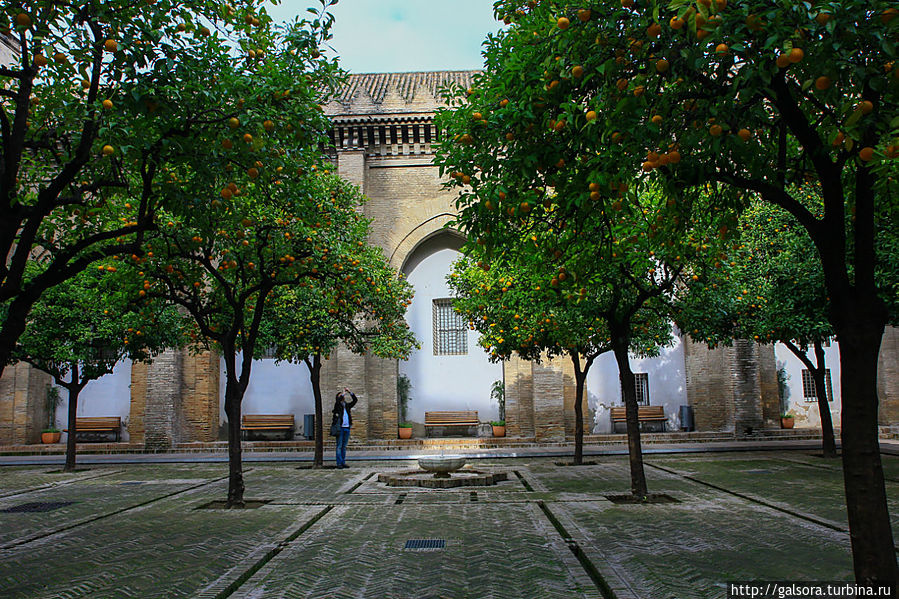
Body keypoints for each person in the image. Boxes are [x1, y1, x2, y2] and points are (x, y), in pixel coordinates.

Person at [331, 387, 357, 468]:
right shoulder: (337, 406)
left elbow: (355, 400)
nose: (343, 397)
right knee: (339, 445)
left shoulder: (347, 406)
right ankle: (339, 463)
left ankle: (343, 462)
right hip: (340, 428)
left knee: (344, 446)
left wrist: (350, 392)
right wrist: (342, 393)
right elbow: (338, 401)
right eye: (341, 396)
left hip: (347, 427)